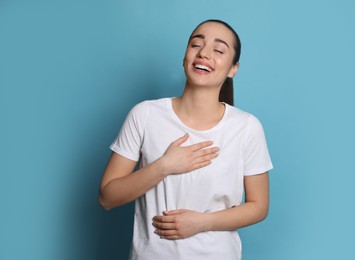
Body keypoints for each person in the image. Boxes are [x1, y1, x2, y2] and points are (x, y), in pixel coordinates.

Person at [98, 19, 273, 260]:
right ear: (184, 58)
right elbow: (107, 197)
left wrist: (202, 222)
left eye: (219, 50)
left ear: (233, 69)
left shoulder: (246, 127)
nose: (204, 53)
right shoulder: (145, 114)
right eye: (196, 45)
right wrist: (163, 166)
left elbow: (259, 206)